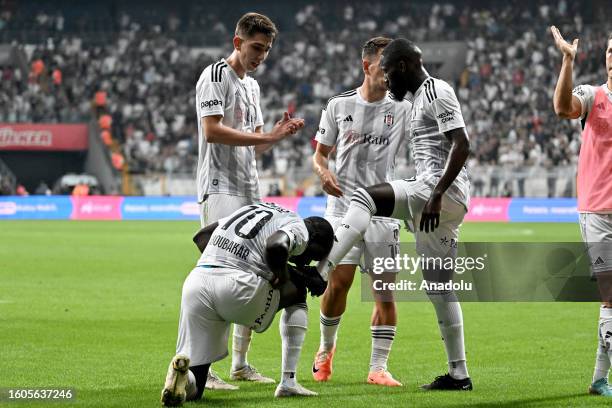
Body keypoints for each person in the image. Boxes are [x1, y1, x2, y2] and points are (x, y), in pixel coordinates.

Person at [317, 38, 473, 391]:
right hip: (439, 200)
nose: (386, 81)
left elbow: (462, 144)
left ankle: (319, 270)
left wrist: (435, 196)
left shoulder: (436, 91)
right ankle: (459, 374)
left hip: (436, 191)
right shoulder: (416, 100)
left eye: (388, 72)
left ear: (402, 66)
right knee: (440, 288)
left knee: (365, 197)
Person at [195, 12, 305, 389]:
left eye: (268, 50)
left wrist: (277, 135)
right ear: (237, 41)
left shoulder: (253, 87)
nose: (262, 56)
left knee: (254, 274)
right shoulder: (214, 76)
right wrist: (265, 138)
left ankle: (240, 363)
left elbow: (256, 141)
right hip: (220, 187)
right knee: (220, 276)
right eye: (257, 47)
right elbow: (212, 132)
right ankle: (203, 370)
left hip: (249, 188)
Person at [161, 202, 334, 406]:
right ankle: (288, 382)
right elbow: (276, 245)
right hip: (236, 287)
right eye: (312, 256)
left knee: (196, 383)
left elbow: (202, 236)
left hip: (196, 284)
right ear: (313, 239)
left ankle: (180, 378)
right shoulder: (300, 228)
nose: (303, 262)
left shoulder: (258, 210)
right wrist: (284, 275)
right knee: (296, 291)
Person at [311, 36, 411, 386]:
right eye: (385, 64)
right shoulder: (338, 105)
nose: (390, 72)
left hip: (383, 211)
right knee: (338, 284)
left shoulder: (403, 109)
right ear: (366, 65)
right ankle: (325, 350)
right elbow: (320, 153)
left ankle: (378, 367)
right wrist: (323, 172)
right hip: (342, 208)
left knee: (384, 290)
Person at [551, 26, 612, 397]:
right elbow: (562, 108)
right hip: (598, 211)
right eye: (610, 50)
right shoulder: (593, 96)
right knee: (610, 295)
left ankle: (598, 378)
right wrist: (568, 61)